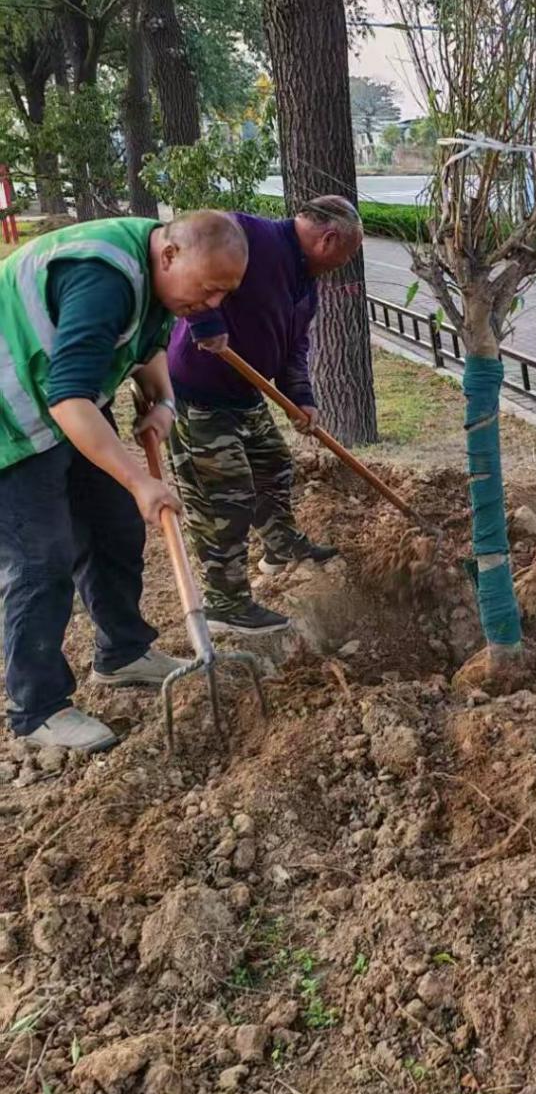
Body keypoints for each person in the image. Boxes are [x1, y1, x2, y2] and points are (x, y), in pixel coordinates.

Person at [0, 211, 249, 754]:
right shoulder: (104, 279)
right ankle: (36, 708)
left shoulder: (159, 268)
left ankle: (122, 653)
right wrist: (141, 481)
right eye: (208, 291)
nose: (212, 307)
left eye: (223, 295)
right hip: (12, 417)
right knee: (41, 556)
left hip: (65, 401)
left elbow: (148, 344)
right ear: (170, 256)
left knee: (114, 526)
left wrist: (162, 400)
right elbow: (68, 398)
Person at [166, 197, 363, 634]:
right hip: (199, 393)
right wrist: (204, 322)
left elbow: (295, 347)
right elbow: (188, 252)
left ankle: (280, 546)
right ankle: (225, 603)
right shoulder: (249, 234)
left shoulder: (305, 282)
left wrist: (301, 396)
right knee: (224, 494)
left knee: (273, 464)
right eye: (346, 256)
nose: (343, 265)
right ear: (328, 239)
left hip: (245, 395)